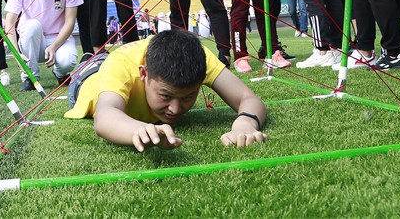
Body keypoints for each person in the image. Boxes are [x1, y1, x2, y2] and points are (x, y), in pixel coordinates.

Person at [63, 29, 267, 151]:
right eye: (166, 96)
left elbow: (248, 98)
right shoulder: (121, 65)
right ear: (144, 74)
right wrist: (139, 130)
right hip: (86, 79)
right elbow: (105, 117)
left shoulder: (199, 57)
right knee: (96, 64)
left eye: (188, 97)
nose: (176, 109)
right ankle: (90, 59)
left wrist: (245, 124)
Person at [3, 0, 83, 91]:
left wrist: (53, 46)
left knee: (68, 61)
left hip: (58, 39)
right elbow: (9, 24)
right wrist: (16, 54)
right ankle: (30, 76)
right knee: (33, 25)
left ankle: (60, 73)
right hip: (31, 39)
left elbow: (70, 22)